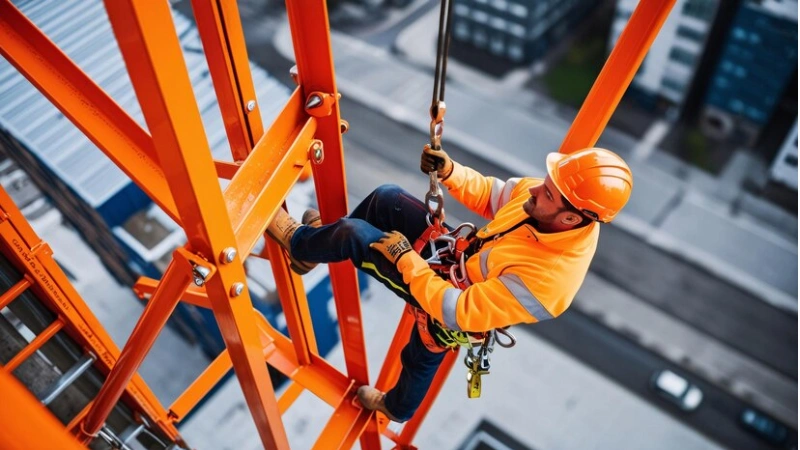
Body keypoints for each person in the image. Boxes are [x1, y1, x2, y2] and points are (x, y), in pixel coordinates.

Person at [266, 144, 633, 423]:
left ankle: (300, 244)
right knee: (387, 198)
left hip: (454, 305)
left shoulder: (549, 281)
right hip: (455, 261)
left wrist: (405, 258)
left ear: (569, 218)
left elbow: (456, 312)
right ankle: (314, 251)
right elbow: (495, 195)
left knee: (420, 343)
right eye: (545, 184)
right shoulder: (550, 199)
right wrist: (453, 172)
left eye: (548, 194)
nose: (537, 191)